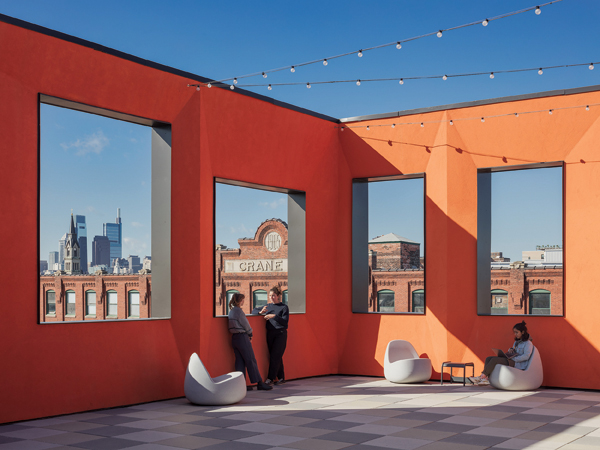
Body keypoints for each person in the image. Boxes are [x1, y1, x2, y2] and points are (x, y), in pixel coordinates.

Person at [228, 293, 272, 391]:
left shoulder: (231, 311)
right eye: (243, 299)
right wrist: (250, 334)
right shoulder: (239, 311)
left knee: (239, 362)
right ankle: (259, 383)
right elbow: (246, 325)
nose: (244, 301)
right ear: (240, 301)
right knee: (251, 359)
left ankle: (241, 385)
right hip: (242, 337)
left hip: (234, 338)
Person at [469, 321, 533, 386]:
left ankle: (482, 376)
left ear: (522, 332)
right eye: (514, 332)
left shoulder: (528, 343)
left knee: (495, 360)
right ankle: (485, 378)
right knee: (488, 358)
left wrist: (514, 359)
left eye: (517, 332)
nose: (515, 334)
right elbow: (514, 351)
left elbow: (526, 356)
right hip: (511, 359)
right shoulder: (516, 342)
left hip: (518, 363)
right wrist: (511, 350)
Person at [254, 286, 289, 386]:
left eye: (273, 295)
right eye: (270, 295)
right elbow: (253, 311)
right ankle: (281, 377)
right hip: (270, 333)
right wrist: (260, 312)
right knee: (276, 356)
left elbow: (285, 322)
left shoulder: (284, 307)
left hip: (280, 334)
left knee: (275, 356)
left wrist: (274, 316)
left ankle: (270, 378)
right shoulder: (268, 306)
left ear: (278, 296)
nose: (271, 297)